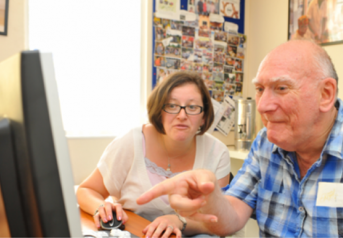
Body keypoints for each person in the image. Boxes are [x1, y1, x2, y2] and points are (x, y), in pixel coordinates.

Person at [137, 39, 343, 237]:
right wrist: (210, 198)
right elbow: (232, 214)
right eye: (260, 89)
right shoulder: (265, 142)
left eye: (281, 88)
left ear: (326, 94)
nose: (262, 106)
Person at [76, 71, 231, 238]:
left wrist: (179, 220)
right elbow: (86, 190)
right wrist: (101, 207)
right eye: (172, 106)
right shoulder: (130, 143)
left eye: (192, 107)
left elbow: (220, 221)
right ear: (160, 111)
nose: (182, 115)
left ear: (203, 117)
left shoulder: (217, 152)